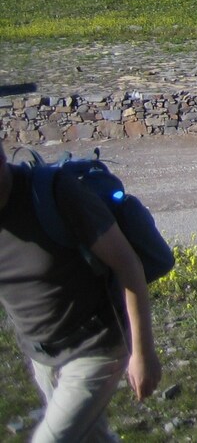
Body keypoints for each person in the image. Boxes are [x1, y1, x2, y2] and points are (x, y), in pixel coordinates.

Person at [0, 142, 161, 441]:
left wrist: (143, 353)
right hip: (42, 353)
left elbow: (128, 265)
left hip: (97, 344)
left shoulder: (54, 193)